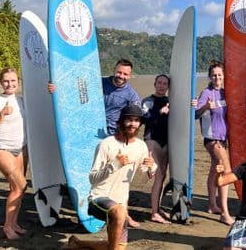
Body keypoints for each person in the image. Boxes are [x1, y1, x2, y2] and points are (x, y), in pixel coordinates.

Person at [48, 58, 141, 227]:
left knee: (116, 178)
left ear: (130, 76)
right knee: (87, 170)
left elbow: (135, 117)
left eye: (125, 74)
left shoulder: (131, 95)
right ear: (114, 70)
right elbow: (77, 90)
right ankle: (83, 204)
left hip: (112, 138)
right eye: (119, 72)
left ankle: (122, 214)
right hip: (87, 133)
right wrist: (56, 88)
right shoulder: (100, 83)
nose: (121, 76)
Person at [63, 104, 157, 250]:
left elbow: (144, 178)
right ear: (120, 122)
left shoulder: (141, 146)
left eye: (137, 120)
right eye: (129, 120)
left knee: (118, 246)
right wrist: (114, 165)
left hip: (121, 203)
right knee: (119, 212)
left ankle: (77, 244)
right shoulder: (106, 145)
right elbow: (92, 178)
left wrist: (152, 167)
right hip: (98, 199)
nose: (133, 124)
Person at [195, 61, 234, 225]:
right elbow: (195, 114)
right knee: (226, 171)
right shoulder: (206, 93)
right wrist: (205, 107)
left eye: (219, 74)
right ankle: (225, 213)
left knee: (214, 170)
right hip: (212, 139)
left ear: (223, 76)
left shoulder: (225, 93)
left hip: (223, 139)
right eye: (214, 75)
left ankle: (212, 204)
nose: (217, 77)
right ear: (209, 76)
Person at [0, 68, 27, 240]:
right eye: (6, 81)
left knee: (16, 189)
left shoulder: (21, 100)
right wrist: (1, 115)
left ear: (18, 82)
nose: (10, 84)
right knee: (21, 186)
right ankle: (7, 227)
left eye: (13, 80)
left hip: (20, 148)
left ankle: (14, 223)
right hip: (2, 149)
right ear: (1, 83)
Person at [142, 74, 171, 224]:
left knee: (162, 176)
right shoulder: (148, 101)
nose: (161, 86)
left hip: (166, 141)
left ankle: (157, 208)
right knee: (158, 175)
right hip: (152, 140)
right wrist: (160, 113)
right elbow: (145, 119)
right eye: (159, 83)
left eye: (164, 84)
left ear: (168, 86)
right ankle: (154, 212)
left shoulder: (169, 101)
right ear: (155, 84)